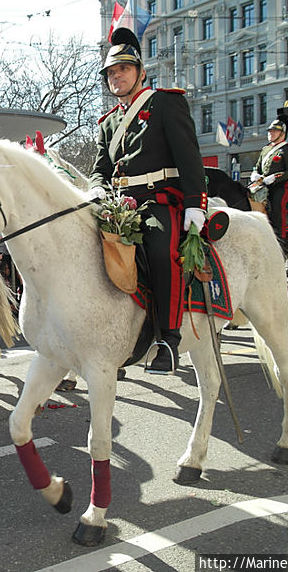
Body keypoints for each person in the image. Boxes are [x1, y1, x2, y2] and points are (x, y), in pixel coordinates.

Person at [88, 28, 208, 374]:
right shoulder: (108, 123)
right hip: (119, 205)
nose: (116, 77)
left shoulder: (165, 103)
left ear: (140, 72)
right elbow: (100, 169)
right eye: (111, 72)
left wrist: (195, 205)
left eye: (123, 70)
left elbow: (190, 157)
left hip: (159, 200)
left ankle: (168, 340)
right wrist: (97, 189)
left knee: (160, 250)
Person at [251, 111, 288, 237]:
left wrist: (274, 177)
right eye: (270, 131)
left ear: (282, 133)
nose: (271, 133)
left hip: (279, 186)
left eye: (274, 131)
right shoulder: (265, 149)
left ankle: (279, 235)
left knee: (277, 205)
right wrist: (255, 174)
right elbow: (257, 166)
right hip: (262, 185)